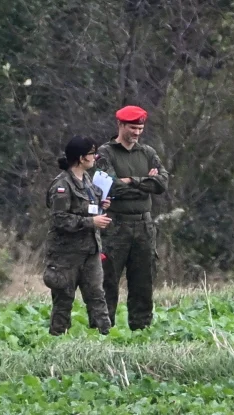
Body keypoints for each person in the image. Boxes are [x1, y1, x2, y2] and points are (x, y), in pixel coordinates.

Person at [94, 106, 169, 331]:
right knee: (108, 280)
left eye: (140, 128)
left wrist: (131, 181)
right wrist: (145, 182)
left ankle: (141, 328)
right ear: (121, 125)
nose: (137, 133)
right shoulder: (105, 153)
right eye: (132, 128)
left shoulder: (148, 153)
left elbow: (162, 183)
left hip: (144, 225)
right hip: (115, 225)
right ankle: (103, 329)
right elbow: (109, 187)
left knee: (143, 281)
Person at [44, 136, 111, 336]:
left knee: (97, 298)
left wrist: (101, 206)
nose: (95, 157)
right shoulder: (62, 185)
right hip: (66, 255)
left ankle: (103, 337)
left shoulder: (87, 180)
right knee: (63, 302)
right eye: (92, 153)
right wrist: (91, 222)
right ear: (81, 158)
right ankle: (57, 339)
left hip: (90, 251)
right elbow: (60, 219)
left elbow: (86, 206)